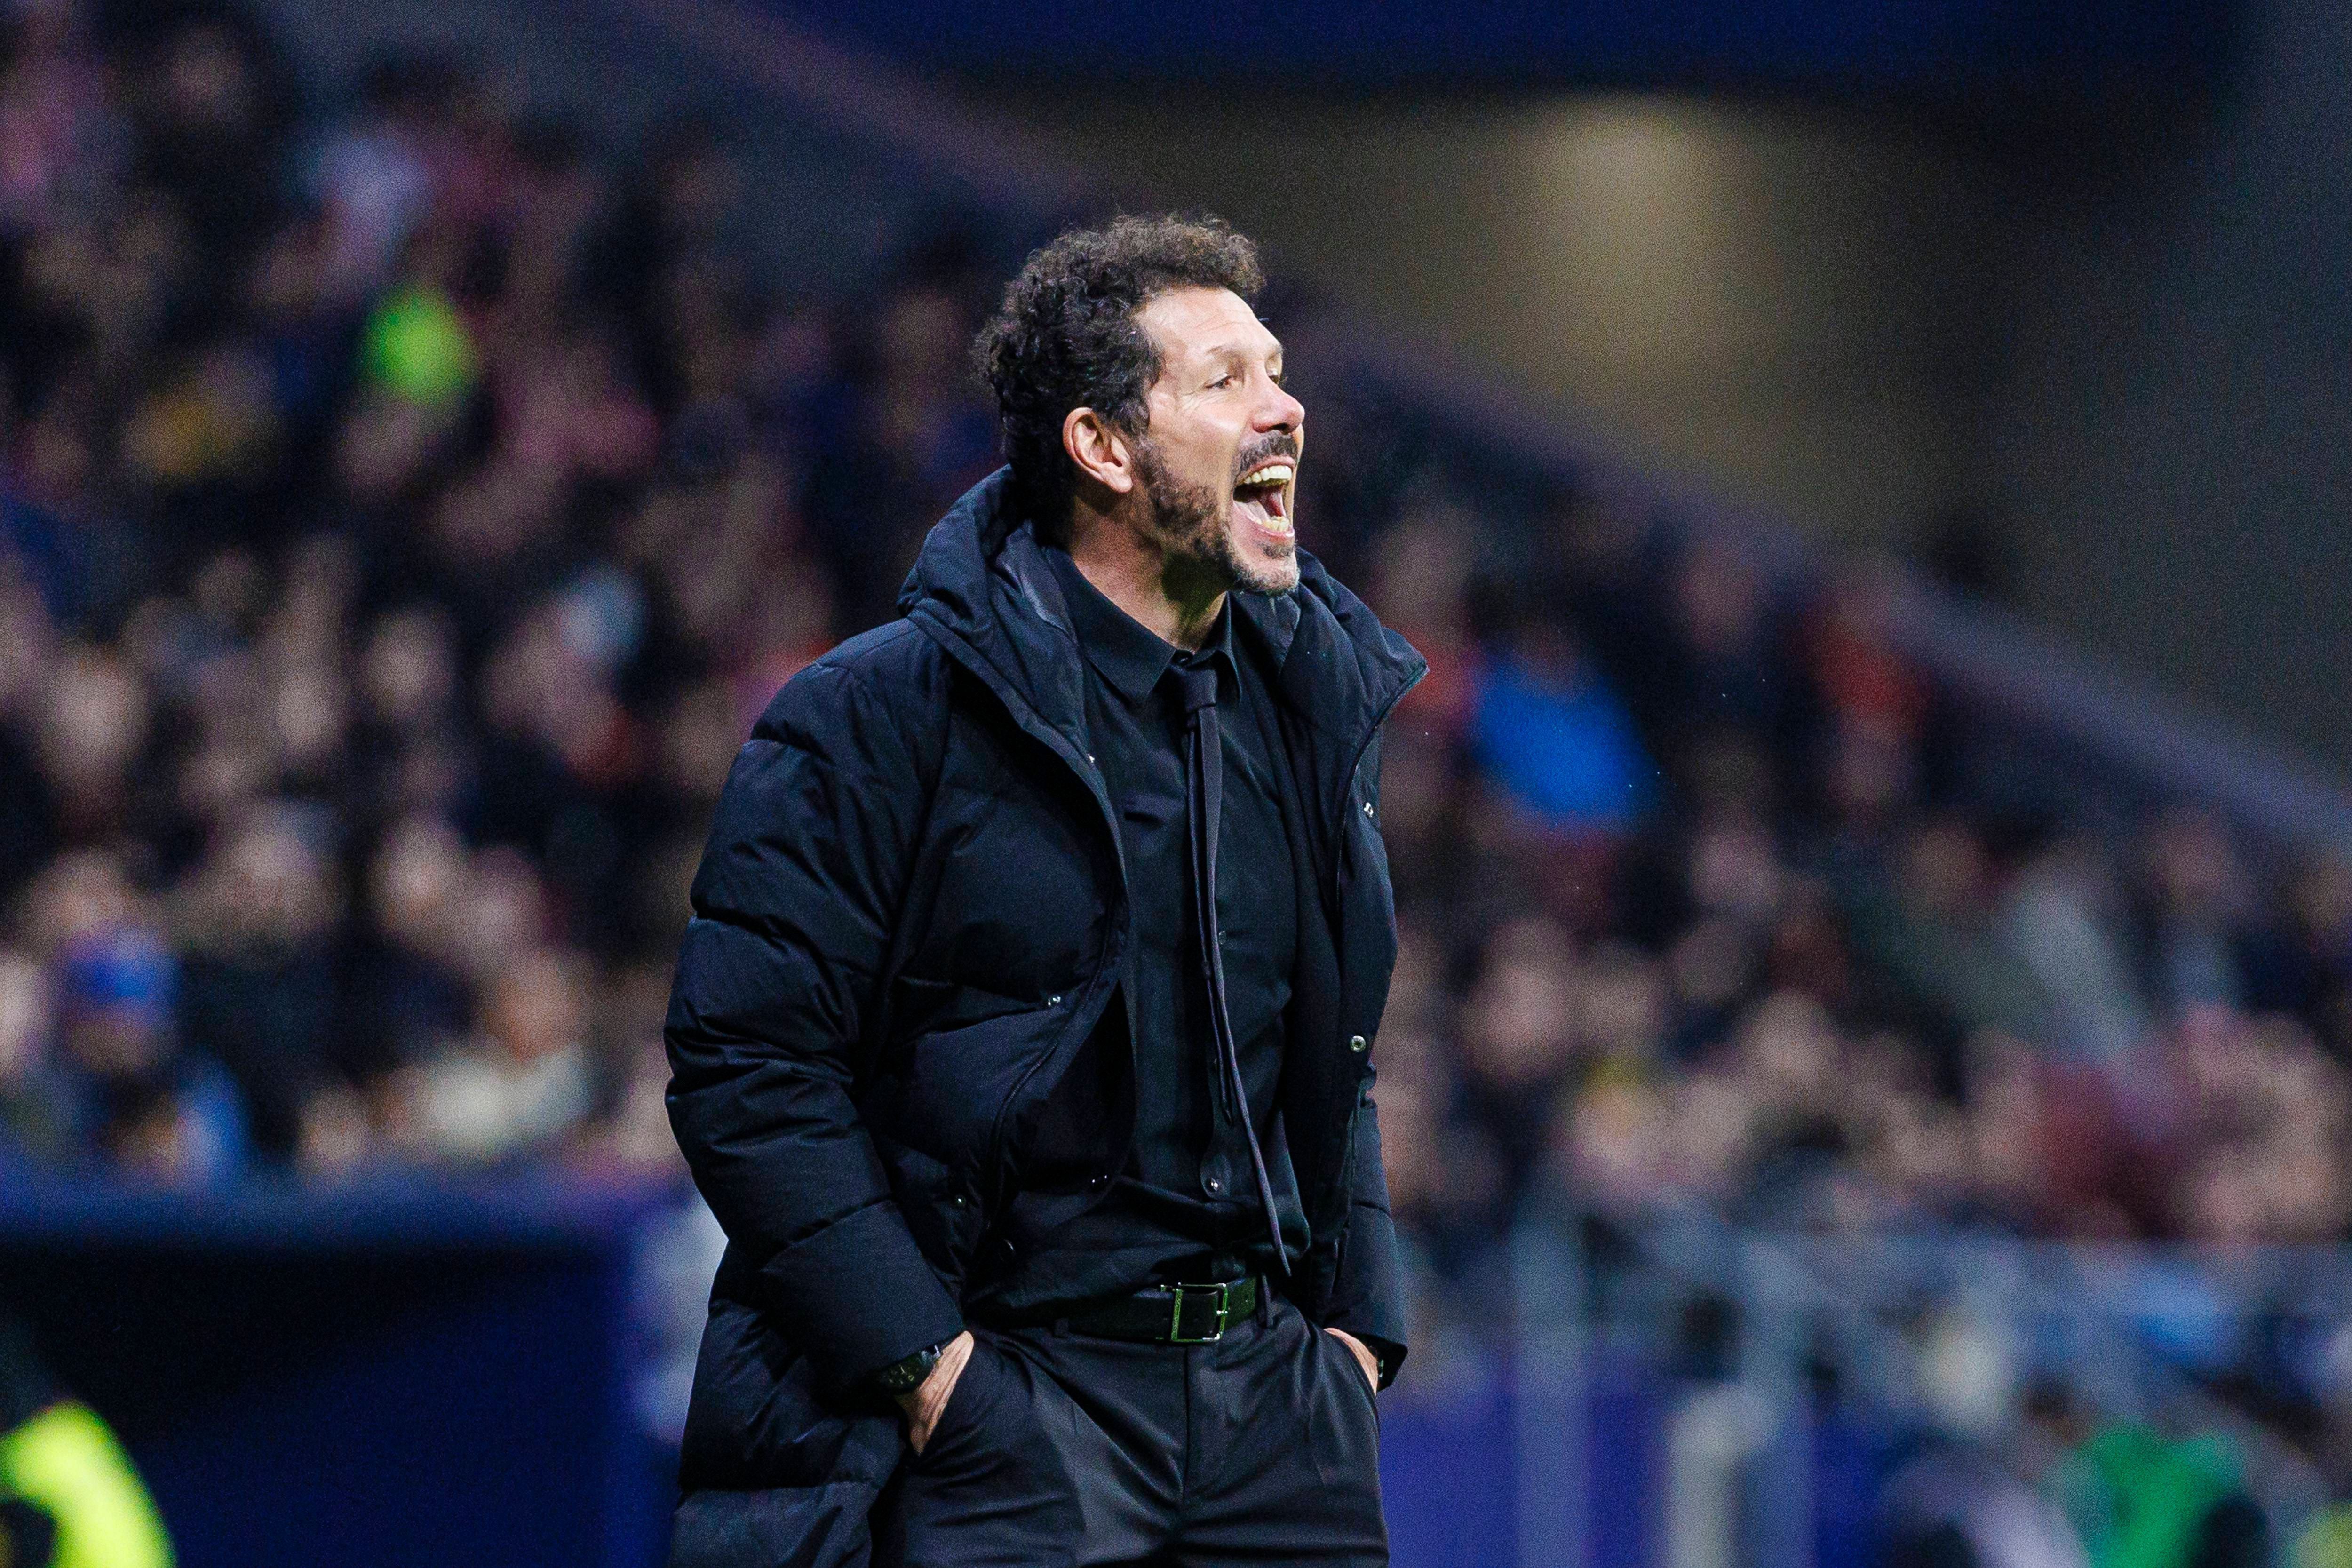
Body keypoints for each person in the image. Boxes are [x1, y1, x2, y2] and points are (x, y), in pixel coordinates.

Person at [665, 215, 1422, 1567]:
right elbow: (750, 1068)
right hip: (1013, 1415)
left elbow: (1332, 1057)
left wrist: (1358, 1338)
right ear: (1103, 448)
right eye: (1226, 380)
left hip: (1278, 1419)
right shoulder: (876, 716)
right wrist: (933, 1374)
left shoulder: (1312, 705)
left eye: (1277, 370)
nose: (1284, 408)